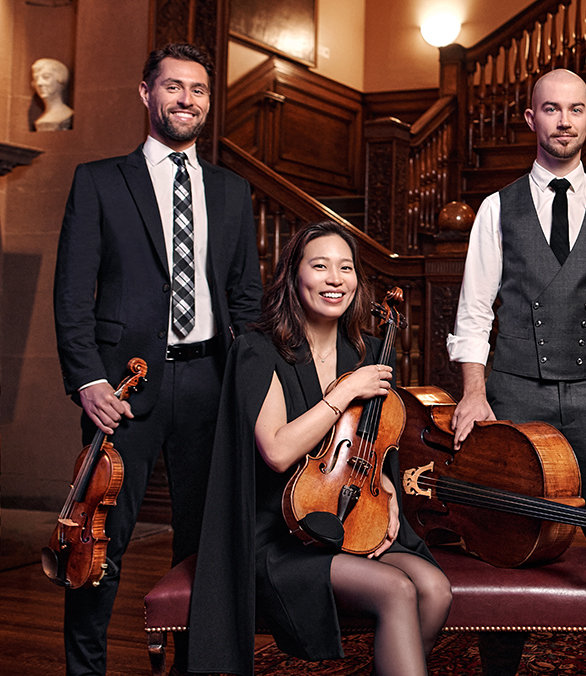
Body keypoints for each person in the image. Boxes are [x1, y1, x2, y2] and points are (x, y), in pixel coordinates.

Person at [52, 43, 263, 675]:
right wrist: (87, 379)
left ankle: (193, 665)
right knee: (101, 538)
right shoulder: (99, 180)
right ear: (146, 94)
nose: (186, 100)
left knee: (203, 539)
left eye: (198, 90)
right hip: (121, 387)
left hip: (209, 383)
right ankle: (83, 670)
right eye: (173, 87)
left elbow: (246, 295)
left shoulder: (232, 190)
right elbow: (71, 293)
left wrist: (248, 381)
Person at [188, 221, 452, 676]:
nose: (335, 279)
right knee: (397, 589)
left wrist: (384, 488)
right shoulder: (259, 350)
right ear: (294, 276)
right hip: (283, 532)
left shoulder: (365, 350)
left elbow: (370, 443)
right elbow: (276, 450)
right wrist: (344, 392)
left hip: (352, 512)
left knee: (435, 588)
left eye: (345, 268)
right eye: (320, 266)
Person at [447, 68, 586, 581]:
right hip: (516, 392)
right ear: (531, 118)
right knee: (508, 536)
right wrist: (474, 392)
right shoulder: (496, 209)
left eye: (576, 110)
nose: (565, 121)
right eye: (552, 109)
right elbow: (474, 311)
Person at [32, 57, 74, 131]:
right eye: (36, 78)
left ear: (59, 80)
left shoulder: (67, 115)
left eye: (46, 77)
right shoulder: (41, 119)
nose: (39, 83)